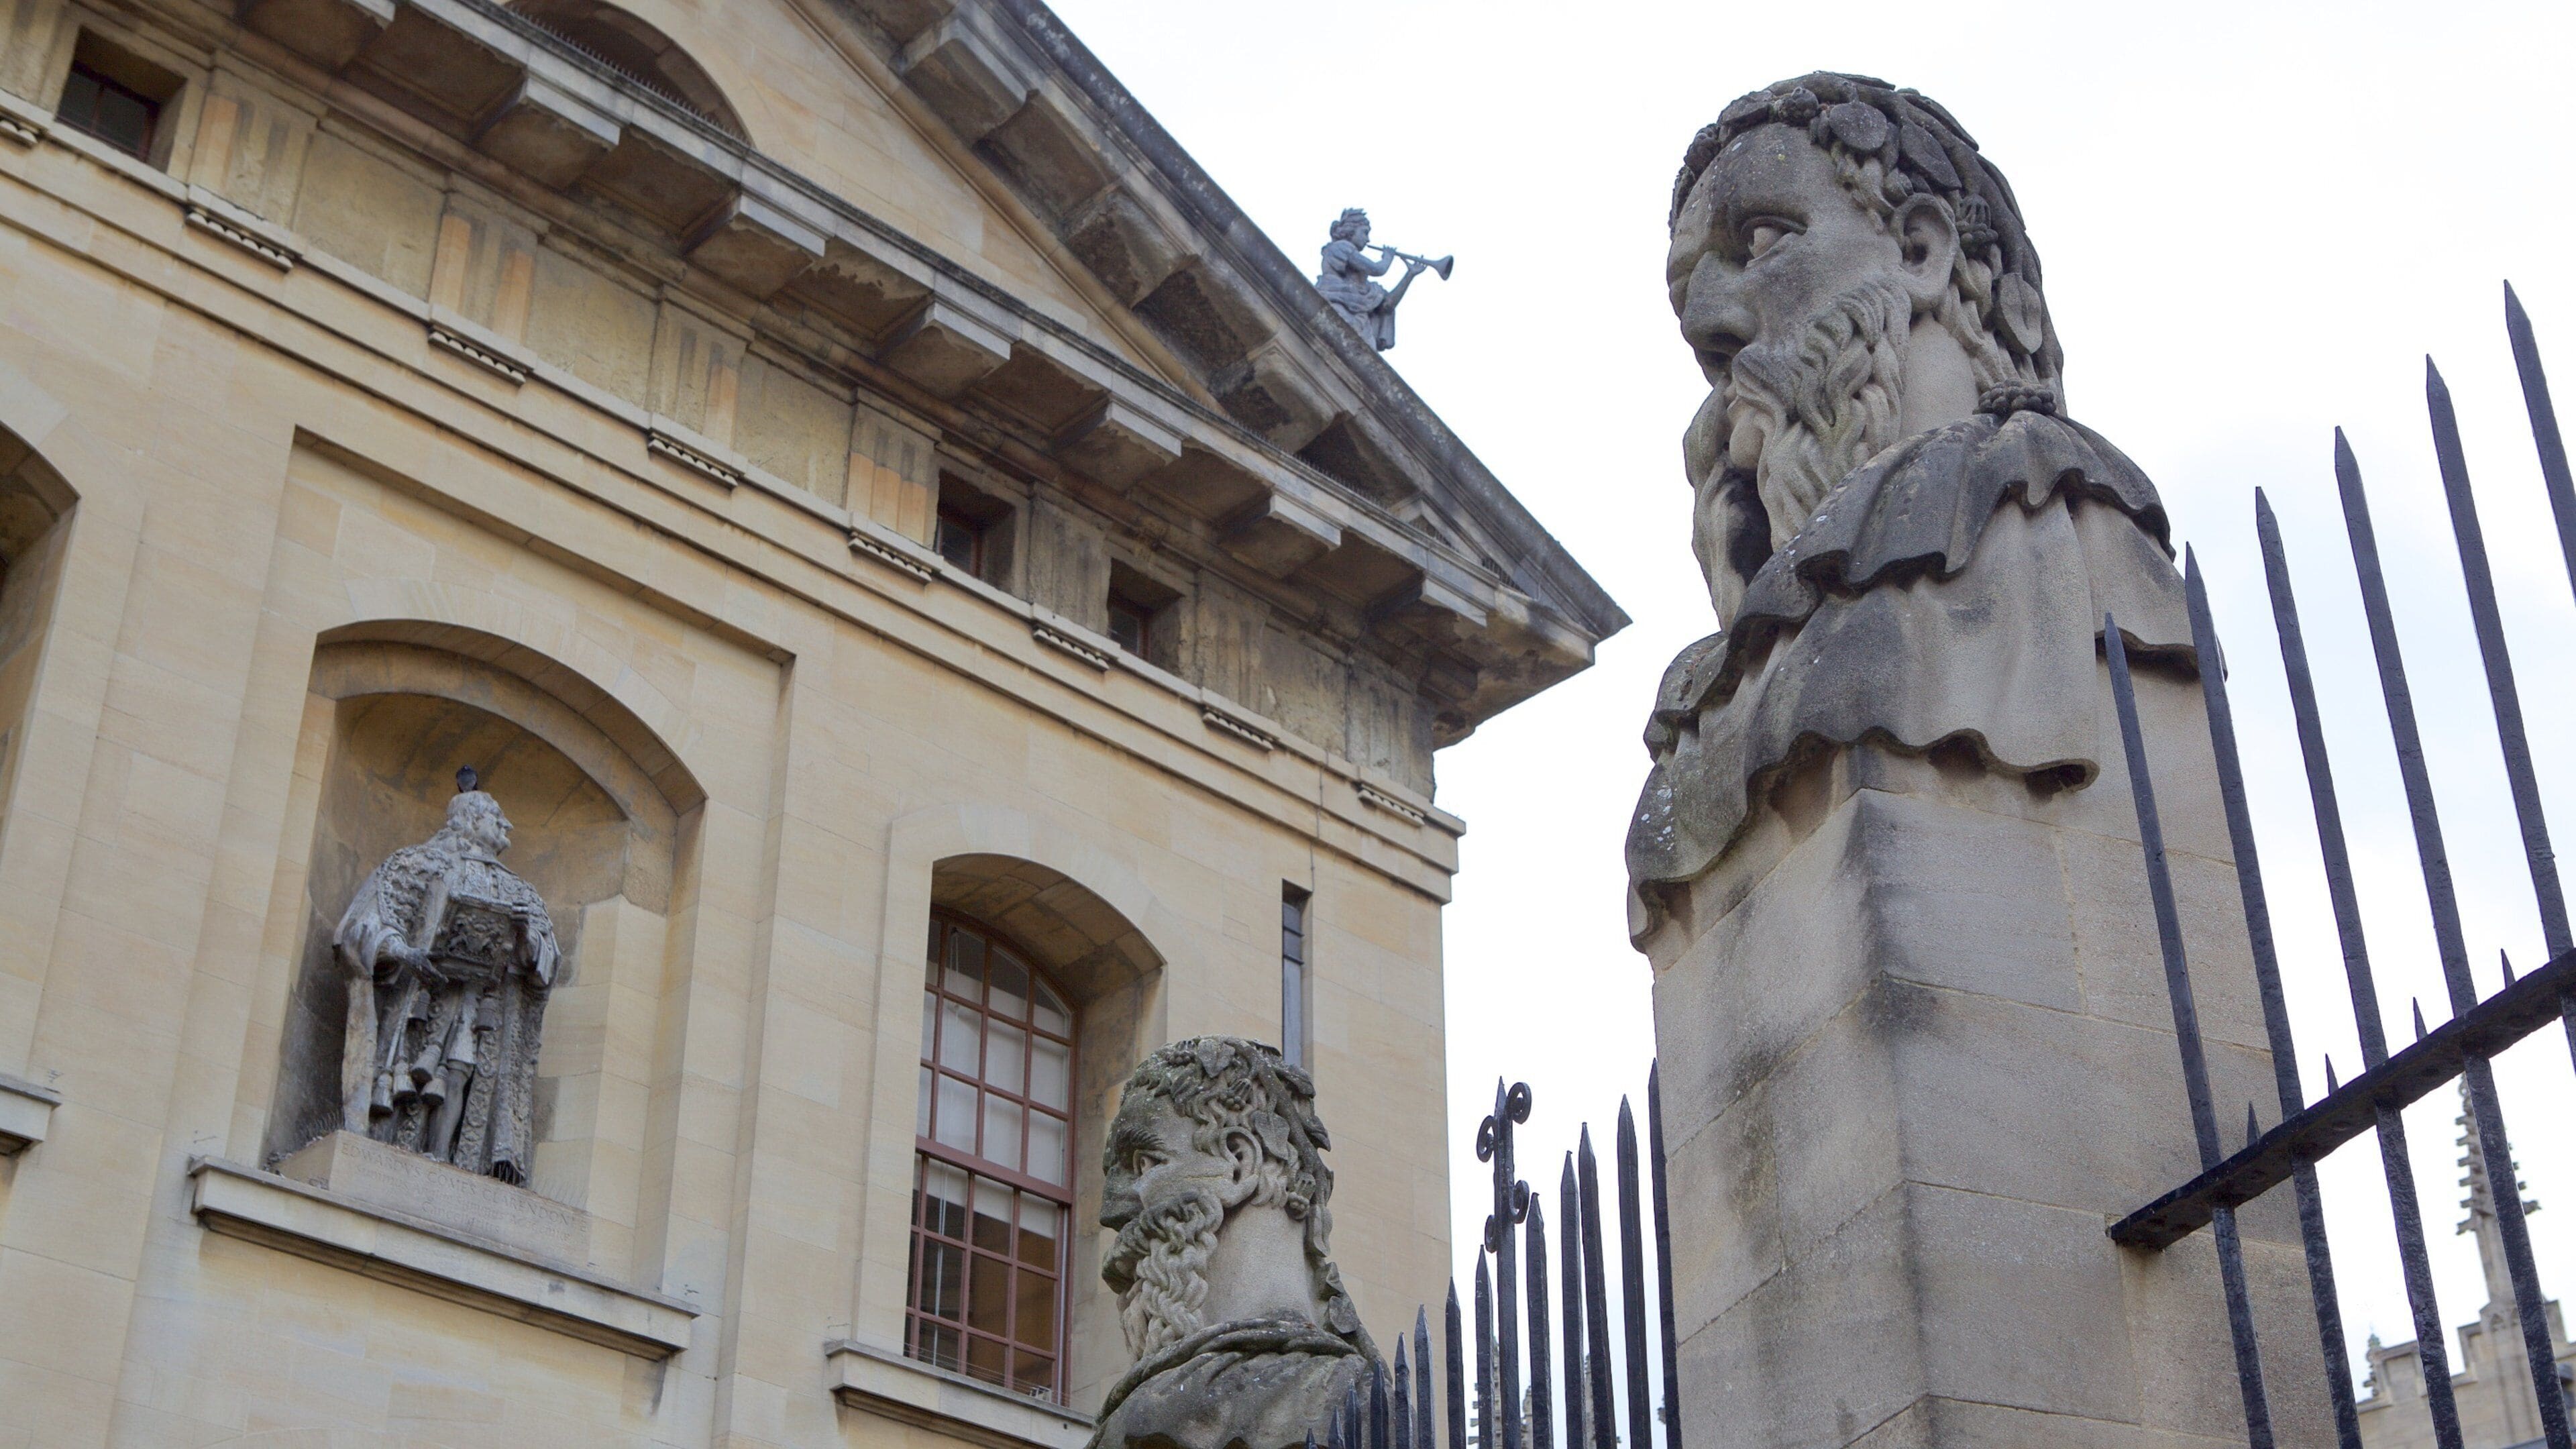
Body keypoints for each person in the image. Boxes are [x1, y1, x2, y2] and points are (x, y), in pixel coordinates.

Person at [1628, 72, 2194, 924]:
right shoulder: (1705, 685)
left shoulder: (2044, 508)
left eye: (1764, 240)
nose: (1705, 323)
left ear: (1921, 251)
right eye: (1687, 293)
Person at [1087, 1036, 1379, 1449]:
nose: (1113, 1211)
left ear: (1240, 1163)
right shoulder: (1366, 1401)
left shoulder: (1341, 1400)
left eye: (1146, 1163)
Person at [333, 770, 560, 1183]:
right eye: (496, 816)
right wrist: (405, 951)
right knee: (415, 1078)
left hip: (483, 1010)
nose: (506, 825)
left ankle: (454, 1160)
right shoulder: (415, 865)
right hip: (421, 1000)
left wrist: (526, 934)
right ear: (471, 820)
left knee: (461, 1073)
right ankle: (393, 1152)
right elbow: (360, 929)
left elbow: (543, 966)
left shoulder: (522, 893)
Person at [1316, 208, 1426, 351]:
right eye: (1365, 232)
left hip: (1360, 319)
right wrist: (1388, 257)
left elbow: (1388, 305)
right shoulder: (1341, 247)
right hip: (1337, 304)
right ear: (1351, 230)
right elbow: (1377, 270)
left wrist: (1410, 275)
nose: (1368, 239)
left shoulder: (1366, 289)